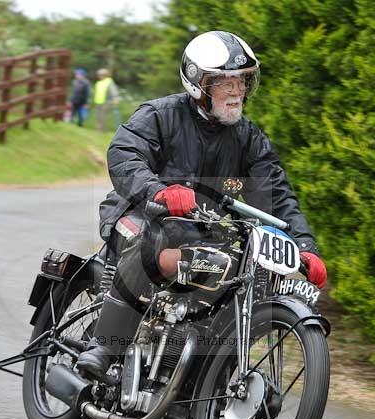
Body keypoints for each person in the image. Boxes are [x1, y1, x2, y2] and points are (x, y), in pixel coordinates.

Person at [76, 31, 328, 379]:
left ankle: (199, 372)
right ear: (198, 83)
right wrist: (157, 192)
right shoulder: (160, 115)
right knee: (154, 247)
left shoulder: (249, 139)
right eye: (226, 81)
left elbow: (277, 196)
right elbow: (124, 154)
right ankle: (104, 345)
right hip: (138, 214)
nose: (237, 90)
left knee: (238, 274)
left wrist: (304, 246)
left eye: (242, 80)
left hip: (202, 233)